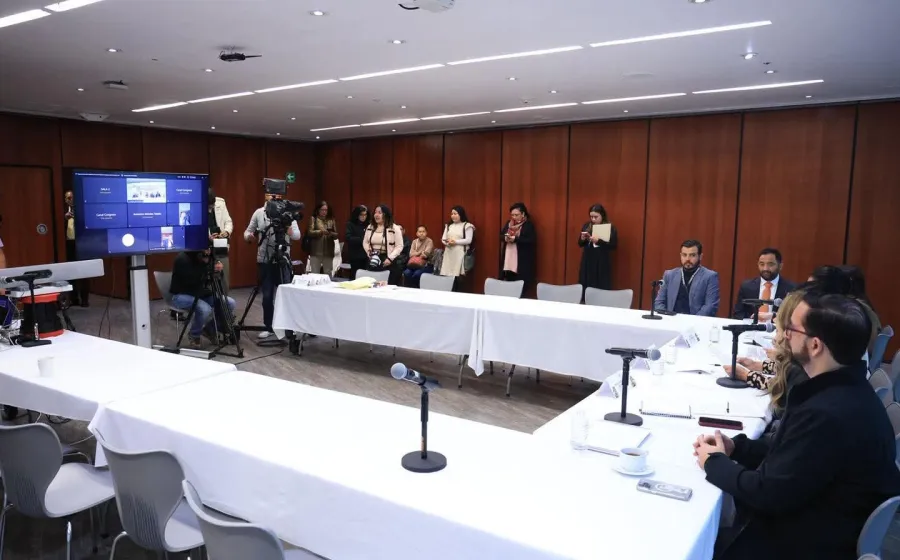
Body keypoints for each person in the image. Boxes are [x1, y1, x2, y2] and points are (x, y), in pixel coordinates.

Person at [695, 293, 900, 560]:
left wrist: (714, 463)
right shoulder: (844, 391)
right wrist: (738, 449)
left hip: (804, 543)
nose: (783, 336)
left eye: (791, 328)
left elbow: (767, 493)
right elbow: (794, 460)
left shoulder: (828, 414)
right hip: (822, 522)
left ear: (815, 345)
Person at [244, 191, 302, 339]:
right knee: (267, 296)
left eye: (277, 195)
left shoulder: (287, 213)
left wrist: (289, 229)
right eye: (271, 194)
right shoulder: (259, 212)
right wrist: (249, 236)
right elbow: (247, 232)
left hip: (283, 259)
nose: (274, 197)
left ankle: (289, 328)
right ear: (265, 196)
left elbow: (297, 235)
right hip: (265, 260)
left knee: (286, 295)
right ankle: (269, 327)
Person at [169, 249, 237, 349]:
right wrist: (206, 267)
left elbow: (210, 280)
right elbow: (192, 281)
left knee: (230, 303)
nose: (208, 251)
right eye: (205, 249)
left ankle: (210, 329)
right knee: (205, 309)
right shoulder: (182, 259)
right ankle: (194, 335)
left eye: (209, 249)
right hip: (181, 295)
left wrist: (216, 270)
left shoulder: (204, 258)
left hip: (201, 293)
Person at [653, 239, 720, 316]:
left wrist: (692, 322)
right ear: (680, 255)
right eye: (684, 255)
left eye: (692, 255)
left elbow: (710, 306)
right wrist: (667, 318)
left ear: (700, 256)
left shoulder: (710, 276)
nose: (687, 259)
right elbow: (659, 302)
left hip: (696, 323)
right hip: (671, 322)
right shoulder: (669, 275)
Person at [732, 248, 796, 320]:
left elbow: (792, 316)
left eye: (770, 264)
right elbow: (738, 314)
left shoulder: (791, 289)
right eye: (762, 264)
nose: (765, 268)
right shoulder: (747, 286)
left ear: (780, 266)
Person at [577, 203, 617, 291]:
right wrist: (583, 239)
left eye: (596, 217)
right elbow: (580, 244)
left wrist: (598, 241)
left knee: (600, 285)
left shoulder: (610, 227)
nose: (593, 219)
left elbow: (613, 245)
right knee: (585, 284)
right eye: (591, 217)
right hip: (588, 260)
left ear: (602, 215)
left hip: (601, 261)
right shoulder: (587, 226)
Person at [362, 205, 404, 285]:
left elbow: (399, 246)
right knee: (372, 284)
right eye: (375, 212)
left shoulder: (394, 228)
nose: (376, 215)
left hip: (387, 259)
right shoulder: (370, 227)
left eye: (379, 213)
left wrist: (390, 258)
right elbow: (365, 242)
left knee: (385, 286)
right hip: (373, 259)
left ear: (386, 215)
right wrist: (368, 251)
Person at [500, 202, 537, 291]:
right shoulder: (509, 223)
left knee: (521, 287)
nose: (514, 217)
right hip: (508, 259)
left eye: (516, 215)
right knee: (508, 286)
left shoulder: (528, 225)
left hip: (521, 260)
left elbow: (531, 240)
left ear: (523, 214)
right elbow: (501, 235)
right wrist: (506, 238)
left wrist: (515, 239)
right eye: (512, 215)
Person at [63, 190, 89, 306]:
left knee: (84, 272)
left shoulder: (83, 209)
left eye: (72, 197)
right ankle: (74, 298)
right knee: (71, 272)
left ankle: (85, 299)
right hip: (69, 243)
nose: (70, 200)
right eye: (68, 198)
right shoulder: (63, 211)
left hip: (82, 242)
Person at [439, 206, 475, 287]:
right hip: (449, 253)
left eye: (455, 213)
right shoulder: (449, 226)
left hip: (460, 253)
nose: (453, 215)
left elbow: (468, 240)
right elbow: (443, 239)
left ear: (461, 214)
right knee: (448, 276)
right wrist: (447, 243)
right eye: (452, 214)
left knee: (458, 277)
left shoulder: (467, 225)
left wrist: (455, 242)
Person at [207, 187, 233, 293]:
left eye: (212, 205)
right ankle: (210, 305)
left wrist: (226, 232)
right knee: (208, 280)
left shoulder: (220, 203)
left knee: (224, 278)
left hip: (221, 244)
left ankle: (225, 305)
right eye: (209, 206)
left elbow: (228, 221)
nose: (211, 208)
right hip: (206, 247)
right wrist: (208, 237)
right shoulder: (196, 206)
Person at [306, 201, 338, 275]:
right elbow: (310, 232)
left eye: (326, 210)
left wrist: (331, 234)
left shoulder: (331, 219)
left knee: (328, 273)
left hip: (328, 250)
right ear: (318, 210)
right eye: (322, 210)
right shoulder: (313, 218)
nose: (324, 212)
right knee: (314, 273)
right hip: (316, 250)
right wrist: (321, 232)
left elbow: (336, 235)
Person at [345, 205, 369, 280]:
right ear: (357, 215)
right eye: (361, 215)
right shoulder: (351, 224)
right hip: (355, 254)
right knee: (355, 275)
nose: (363, 217)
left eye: (365, 215)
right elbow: (348, 238)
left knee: (364, 276)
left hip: (365, 255)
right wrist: (362, 239)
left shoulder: (368, 224)